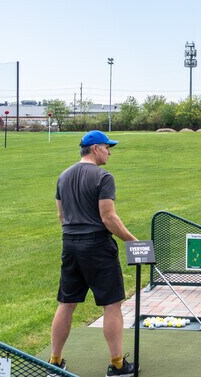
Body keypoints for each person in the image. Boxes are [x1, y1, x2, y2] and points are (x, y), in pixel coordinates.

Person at [49, 130, 138, 377]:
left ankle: (54, 362)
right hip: (97, 247)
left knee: (66, 303)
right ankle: (118, 365)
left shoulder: (63, 176)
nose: (110, 152)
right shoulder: (103, 176)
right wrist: (132, 241)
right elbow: (108, 217)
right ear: (96, 148)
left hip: (70, 245)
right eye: (108, 147)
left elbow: (61, 216)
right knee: (111, 304)